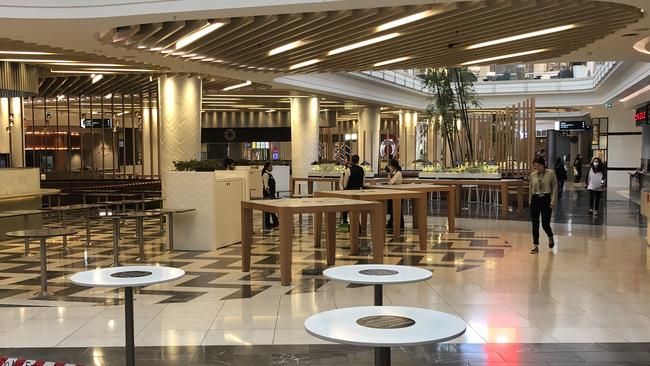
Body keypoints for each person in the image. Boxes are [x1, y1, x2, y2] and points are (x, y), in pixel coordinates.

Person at [529, 156, 557, 254]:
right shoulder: (533, 175)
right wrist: (530, 201)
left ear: (543, 165)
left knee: (545, 224)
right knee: (535, 224)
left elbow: (555, 187)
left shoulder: (551, 173)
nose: (537, 168)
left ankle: (550, 236)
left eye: (539, 166)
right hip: (535, 199)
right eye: (535, 166)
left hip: (546, 199)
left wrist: (553, 201)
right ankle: (535, 245)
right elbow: (530, 189)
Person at [340, 156, 365, 224]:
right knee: (356, 206)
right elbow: (363, 181)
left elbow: (345, 182)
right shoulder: (362, 169)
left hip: (350, 191)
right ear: (358, 160)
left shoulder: (349, 170)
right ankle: (357, 223)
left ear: (351, 161)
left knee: (346, 206)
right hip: (358, 191)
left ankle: (345, 222)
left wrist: (344, 188)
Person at [386, 159, 404, 229]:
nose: (389, 167)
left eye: (390, 166)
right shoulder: (395, 173)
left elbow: (391, 182)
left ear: (393, 166)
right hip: (394, 192)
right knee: (394, 209)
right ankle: (392, 223)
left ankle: (394, 224)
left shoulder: (398, 173)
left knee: (397, 209)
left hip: (398, 193)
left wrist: (389, 176)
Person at [261, 162, 279, 229]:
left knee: (270, 209)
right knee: (269, 209)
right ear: (267, 167)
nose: (272, 167)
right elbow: (266, 186)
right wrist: (269, 195)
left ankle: (272, 223)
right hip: (268, 194)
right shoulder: (265, 174)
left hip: (271, 193)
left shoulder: (269, 173)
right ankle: (270, 223)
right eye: (271, 166)